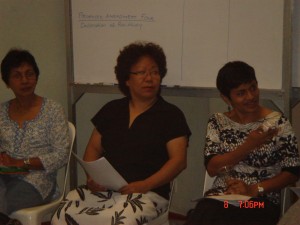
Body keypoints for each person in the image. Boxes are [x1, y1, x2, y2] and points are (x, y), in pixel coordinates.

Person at [51, 41, 191, 225]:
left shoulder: (171, 115)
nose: (149, 78)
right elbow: (93, 149)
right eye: (141, 73)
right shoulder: (112, 110)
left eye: (155, 72)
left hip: (147, 194)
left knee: (121, 221)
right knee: (62, 214)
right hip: (105, 191)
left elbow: (179, 161)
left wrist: (145, 185)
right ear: (126, 79)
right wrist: (92, 179)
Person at [184, 61, 300, 225]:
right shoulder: (217, 122)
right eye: (241, 93)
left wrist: (254, 189)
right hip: (223, 198)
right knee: (206, 211)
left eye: (253, 88)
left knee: (232, 217)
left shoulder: (278, 122)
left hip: (259, 200)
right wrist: (249, 145)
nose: (251, 96)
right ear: (226, 98)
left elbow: (293, 172)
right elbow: (212, 167)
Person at [0, 49, 70, 225]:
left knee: (6, 200)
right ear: (7, 81)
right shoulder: (1, 112)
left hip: (37, 180)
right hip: (5, 176)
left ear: (36, 76)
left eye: (29, 74)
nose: (24, 80)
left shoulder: (53, 110)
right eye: (17, 75)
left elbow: (61, 155)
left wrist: (24, 163)